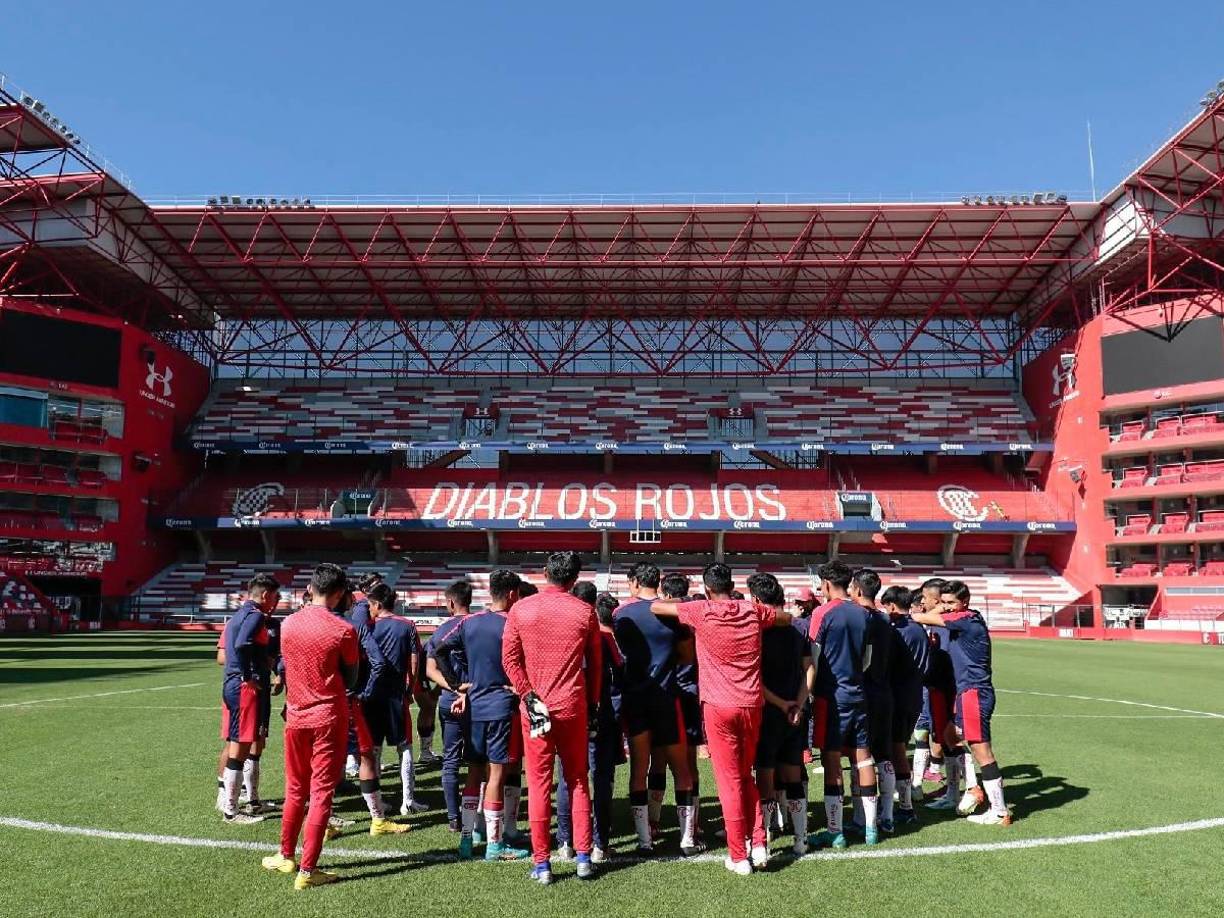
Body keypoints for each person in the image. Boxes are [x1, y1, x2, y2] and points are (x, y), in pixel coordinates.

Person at [651, 563, 792, 876]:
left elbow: (656, 606)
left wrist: (684, 601)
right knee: (745, 776)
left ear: (707, 588)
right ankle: (758, 843)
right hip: (752, 703)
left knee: (729, 782)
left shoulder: (701, 610)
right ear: (732, 584)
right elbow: (786, 617)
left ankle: (738, 854)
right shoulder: (753, 611)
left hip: (719, 706)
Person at [502, 551, 602, 885]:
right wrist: (594, 702)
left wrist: (527, 693)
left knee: (540, 784)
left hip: (536, 709)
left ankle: (543, 863)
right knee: (577, 780)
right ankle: (584, 857)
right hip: (573, 705)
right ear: (575, 578)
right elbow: (596, 666)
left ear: (545, 573)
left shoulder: (520, 609)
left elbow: (510, 660)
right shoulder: (585, 611)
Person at [260, 563, 359, 890]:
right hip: (328, 716)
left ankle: (285, 855)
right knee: (320, 794)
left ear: (311, 587)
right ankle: (307, 870)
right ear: (340, 593)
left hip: (297, 715)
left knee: (295, 789)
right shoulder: (343, 630)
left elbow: (285, 666)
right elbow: (353, 676)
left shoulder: (288, 623)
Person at [432, 569, 531, 861]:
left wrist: (455, 684)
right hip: (501, 705)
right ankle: (494, 845)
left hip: (473, 705)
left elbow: (438, 649)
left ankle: (467, 839)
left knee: (475, 770)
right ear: (513, 594)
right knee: (497, 774)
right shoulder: (514, 623)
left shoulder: (469, 622)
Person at [613, 561, 697, 855]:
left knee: (639, 769)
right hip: (666, 697)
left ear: (635, 582)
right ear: (658, 583)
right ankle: (687, 839)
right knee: (681, 769)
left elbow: (619, 657)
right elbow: (687, 656)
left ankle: (644, 840)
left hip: (635, 699)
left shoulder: (620, 614)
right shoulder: (673, 612)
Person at [911, 580, 1011, 826]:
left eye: (951, 602)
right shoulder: (966, 616)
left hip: (974, 692)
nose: (946, 607)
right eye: (943, 602)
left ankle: (999, 810)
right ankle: (958, 792)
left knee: (982, 751)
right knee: (949, 736)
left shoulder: (964, 619)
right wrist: (942, 606)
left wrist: (938, 609)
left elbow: (917, 617)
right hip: (965, 692)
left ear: (964, 602)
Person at [807, 559, 877, 849]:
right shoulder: (864, 614)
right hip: (858, 692)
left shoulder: (822, 613)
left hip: (830, 696)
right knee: (862, 757)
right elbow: (867, 659)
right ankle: (870, 828)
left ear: (825, 584)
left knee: (832, 760)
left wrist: (808, 693)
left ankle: (836, 831)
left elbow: (813, 657)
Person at [556, 589, 626, 863]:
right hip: (601, 716)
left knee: (568, 778)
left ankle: (565, 841)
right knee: (600, 779)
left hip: (569, 713)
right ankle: (599, 844)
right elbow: (620, 676)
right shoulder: (604, 637)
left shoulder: (563, 635)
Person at [748, 572, 812, 857]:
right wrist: (798, 703)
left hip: (769, 711)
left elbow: (753, 677)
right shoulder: (799, 626)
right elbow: (809, 668)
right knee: (793, 773)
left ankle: (765, 836)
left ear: (757, 599)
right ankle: (801, 839)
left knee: (765, 775)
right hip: (795, 712)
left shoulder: (757, 628)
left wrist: (781, 704)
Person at [216, 573, 282, 823]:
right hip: (244, 688)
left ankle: (248, 802)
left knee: (245, 743)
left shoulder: (239, 615)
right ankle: (231, 811)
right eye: (274, 596)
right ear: (265, 595)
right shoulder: (255, 615)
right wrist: (247, 675)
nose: (275, 601)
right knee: (240, 747)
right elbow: (242, 644)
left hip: (237, 685)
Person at [366, 582, 429, 818]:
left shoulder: (368, 627)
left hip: (371, 695)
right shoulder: (407, 625)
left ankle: (378, 801)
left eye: (370, 604)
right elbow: (414, 661)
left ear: (378, 604)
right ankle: (407, 801)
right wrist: (410, 689)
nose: (368, 608)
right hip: (395, 695)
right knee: (405, 747)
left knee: (375, 750)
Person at [424, 579, 472, 832]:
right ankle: (479, 816)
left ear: (451, 602)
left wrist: (453, 687)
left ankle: (454, 818)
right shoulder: (476, 626)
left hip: (448, 700)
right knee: (480, 761)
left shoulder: (441, 631)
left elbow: (430, 670)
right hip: (477, 700)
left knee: (451, 760)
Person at [661, 572, 704, 840]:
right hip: (690, 695)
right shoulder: (695, 617)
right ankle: (692, 826)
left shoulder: (666, 616)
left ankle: (653, 824)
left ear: (665, 594)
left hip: (668, 694)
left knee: (657, 761)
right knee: (689, 763)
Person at [850, 569, 894, 835]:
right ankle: (887, 816)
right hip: (885, 692)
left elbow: (862, 660)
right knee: (883, 754)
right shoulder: (885, 619)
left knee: (862, 757)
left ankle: (861, 818)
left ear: (856, 590)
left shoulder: (862, 619)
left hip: (865, 693)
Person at [881, 585, 929, 826]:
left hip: (899, 697)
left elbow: (890, 666)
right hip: (914, 695)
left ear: (891, 605)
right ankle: (902, 800)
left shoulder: (899, 631)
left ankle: (905, 807)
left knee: (896, 749)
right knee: (897, 747)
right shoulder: (917, 628)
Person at [918, 578, 964, 813]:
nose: (922, 601)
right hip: (938, 688)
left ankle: (960, 792)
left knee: (951, 740)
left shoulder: (944, 624)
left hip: (946, 690)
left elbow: (946, 658)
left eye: (925, 597)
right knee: (946, 740)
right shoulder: (936, 624)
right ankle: (955, 791)